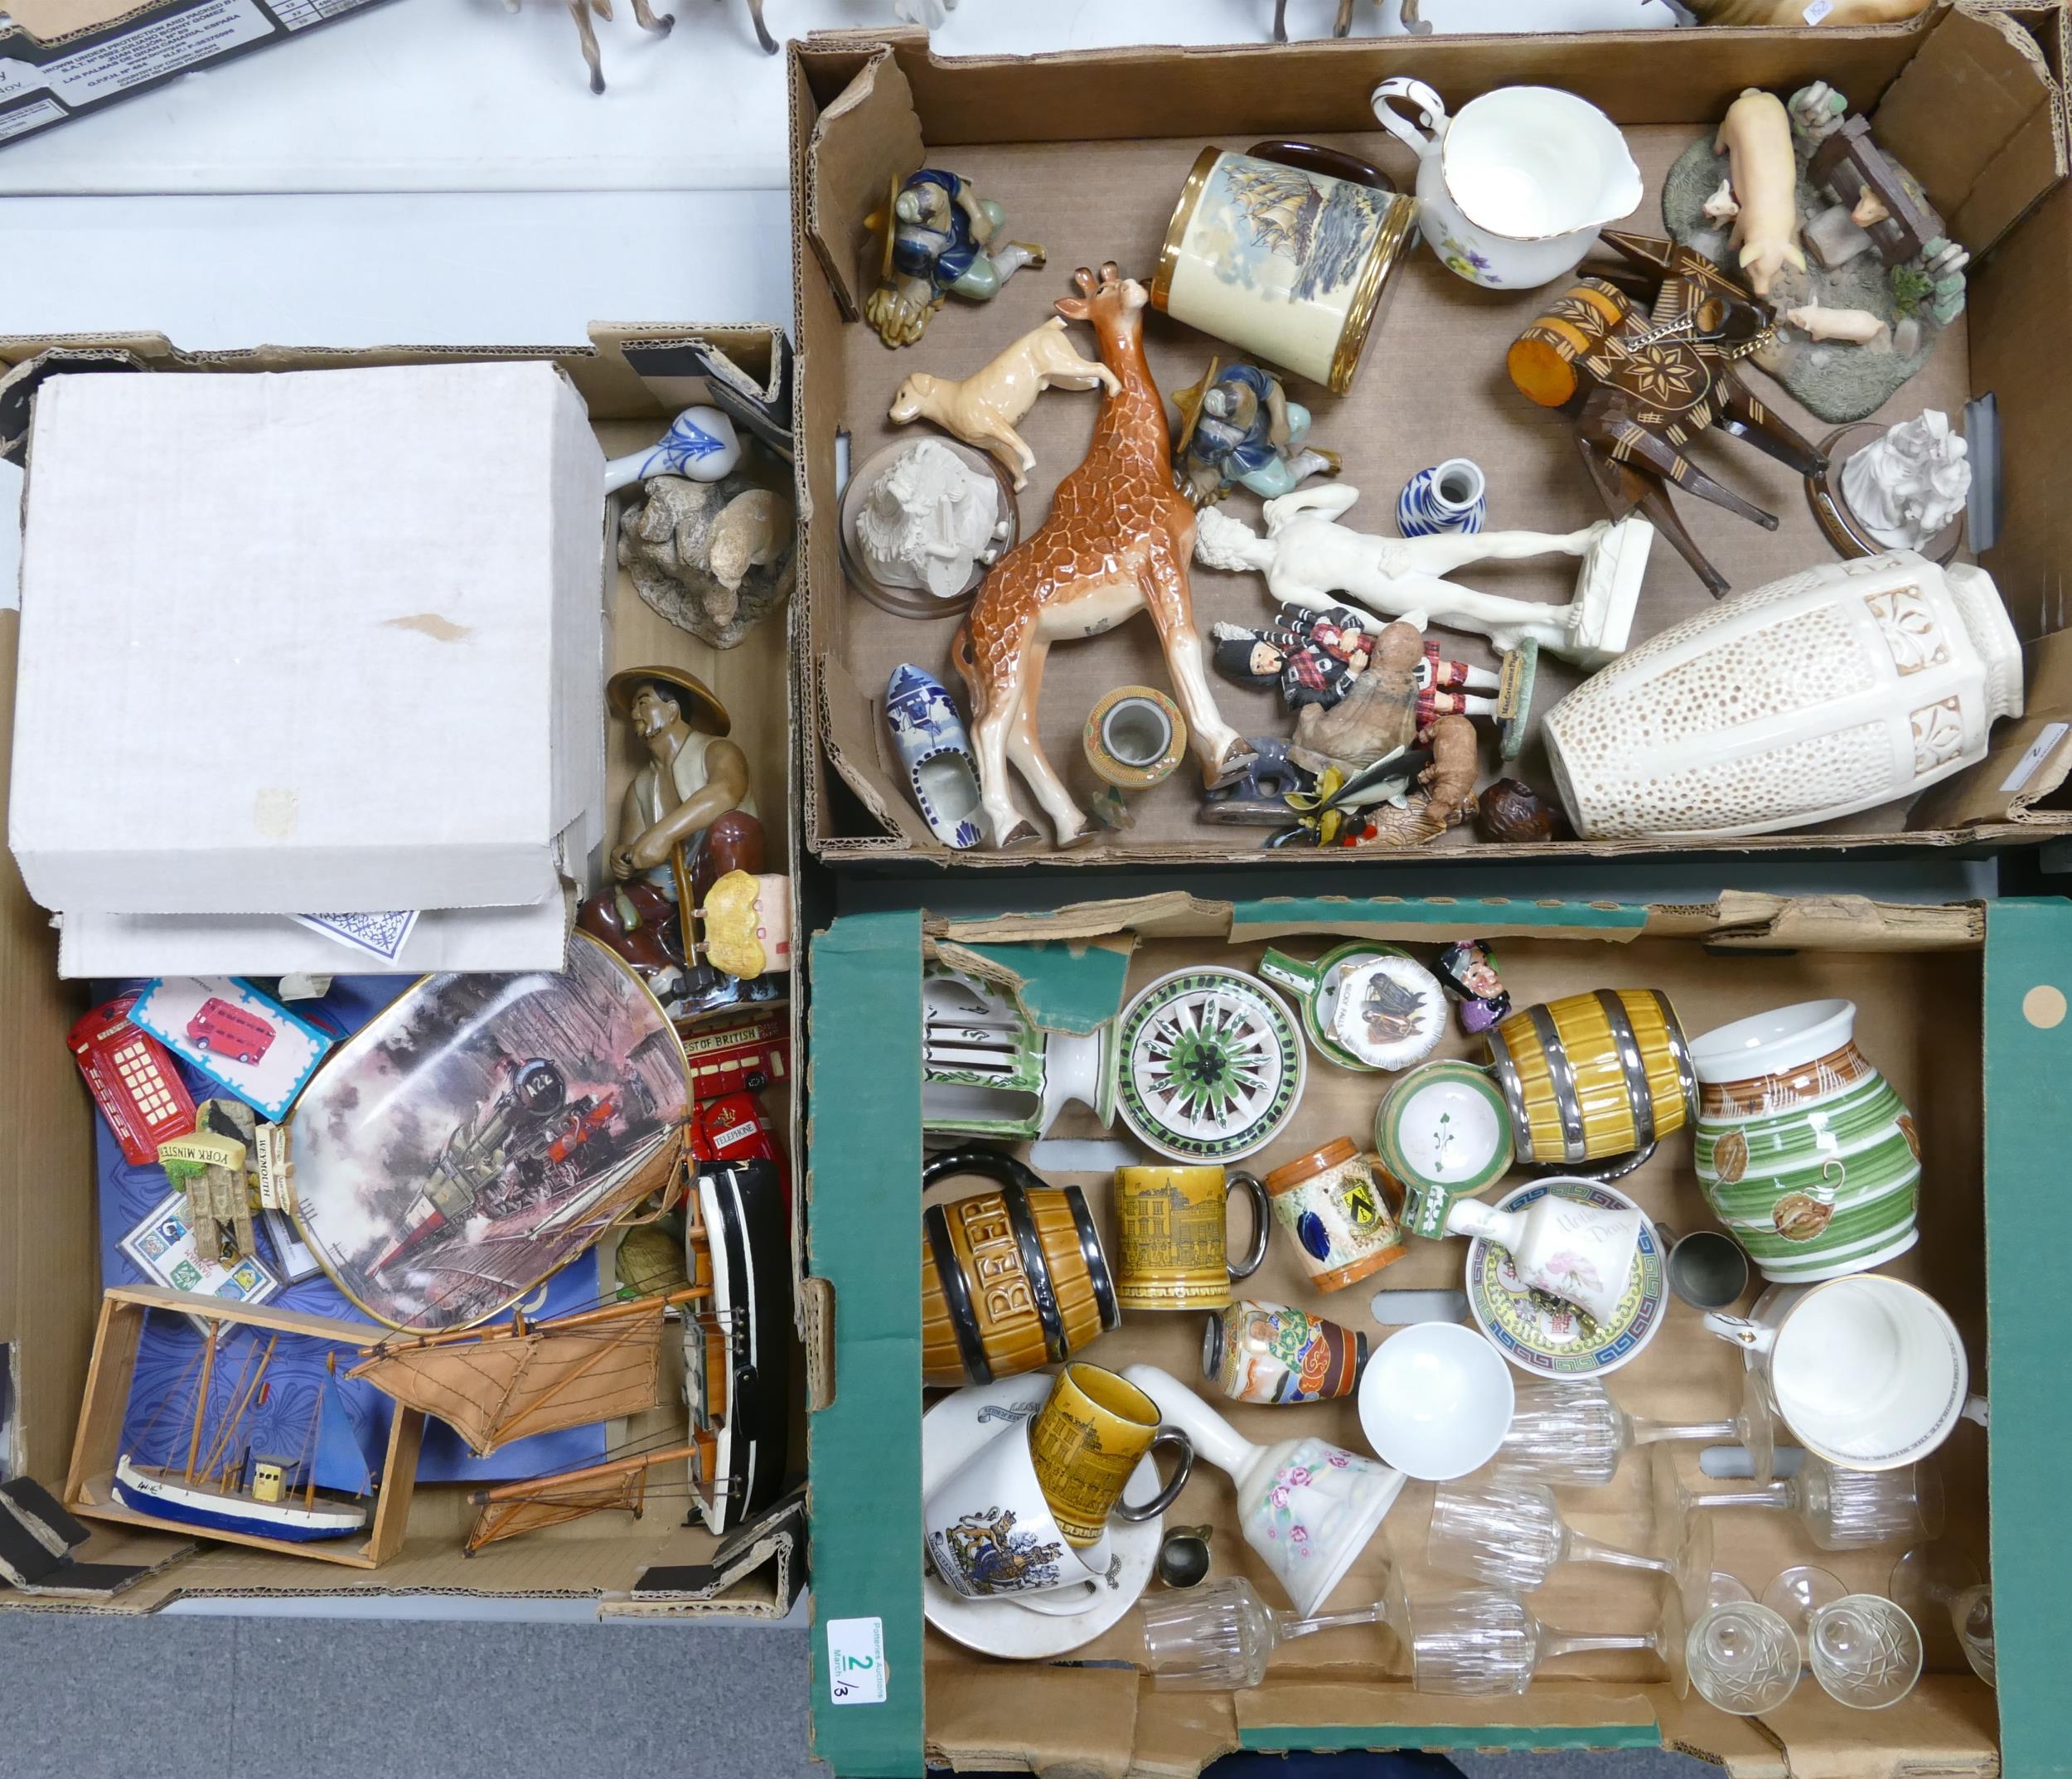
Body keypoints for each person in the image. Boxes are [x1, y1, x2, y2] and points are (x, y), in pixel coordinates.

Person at [865, 169, 1045, 347]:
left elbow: (957, 187)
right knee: (987, 284)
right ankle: (1016, 253)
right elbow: (914, 281)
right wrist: (927, 291)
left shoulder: (927, 182)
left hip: (959, 222)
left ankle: (981, 250)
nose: (942, 197)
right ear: (925, 220)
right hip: (946, 260)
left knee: (994, 212)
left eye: (941, 198)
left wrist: (977, 217)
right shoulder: (914, 245)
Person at [1173, 361, 1339, 504]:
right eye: (1244, 407)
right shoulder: (1212, 436)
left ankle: (1281, 448)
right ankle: (1310, 460)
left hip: (1266, 417)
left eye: (1248, 396)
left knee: (1301, 418)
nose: (1250, 398)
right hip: (1246, 455)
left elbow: (1271, 389)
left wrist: (1280, 422)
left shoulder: (1239, 376)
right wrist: (1210, 480)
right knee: (1279, 486)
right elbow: (1200, 465)